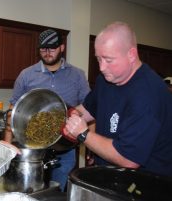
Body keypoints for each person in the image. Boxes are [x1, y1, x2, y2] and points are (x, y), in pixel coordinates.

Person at [63, 21, 172, 176]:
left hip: (147, 184)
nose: (101, 67)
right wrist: (66, 115)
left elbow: (128, 159)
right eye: (98, 59)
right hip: (111, 175)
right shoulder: (106, 79)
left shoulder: (148, 95)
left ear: (131, 55)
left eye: (108, 60)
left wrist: (83, 134)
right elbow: (87, 110)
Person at [4, 29, 91, 191]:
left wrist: (91, 145)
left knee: (56, 193)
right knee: (32, 193)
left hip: (65, 150)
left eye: (52, 48)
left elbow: (91, 109)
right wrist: (7, 146)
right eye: (43, 49)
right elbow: (13, 111)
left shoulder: (77, 75)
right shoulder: (26, 75)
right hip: (33, 151)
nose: (47, 53)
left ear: (62, 48)